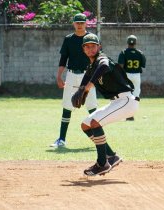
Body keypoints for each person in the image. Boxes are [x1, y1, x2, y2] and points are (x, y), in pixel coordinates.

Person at [73, 33, 140, 176]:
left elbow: (104, 67)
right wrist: (80, 90)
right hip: (117, 102)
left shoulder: (102, 59)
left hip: (126, 101)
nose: (91, 49)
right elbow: (85, 80)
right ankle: (111, 156)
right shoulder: (91, 66)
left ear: (99, 47)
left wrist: (88, 87)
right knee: (86, 125)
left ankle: (102, 163)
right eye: (87, 46)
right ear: (83, 49)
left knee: (95, 123)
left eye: (93, 46)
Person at [50, 13, 97, 147]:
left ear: (86, 23)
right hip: (71, 75)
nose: (80, 25)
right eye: (78, 23)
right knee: (67, 106)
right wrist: (59, 76)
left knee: (92, 108)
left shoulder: (91, 38)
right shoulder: (69, 39)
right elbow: (63, 59)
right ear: (74, 24)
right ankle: (61, 139)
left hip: (87, 75)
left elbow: (97, 59)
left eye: (82, 22)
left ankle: (98, 139)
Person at [118, 35, 146, 121]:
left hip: (126, 75)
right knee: (136, 95)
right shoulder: (140, 53)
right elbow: (143, 65)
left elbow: (121, 66)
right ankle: (131, 114)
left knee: (125, 94)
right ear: (135, 43)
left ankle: (126, 114)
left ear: (127, 42)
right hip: (136, 75)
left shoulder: (123, 52)